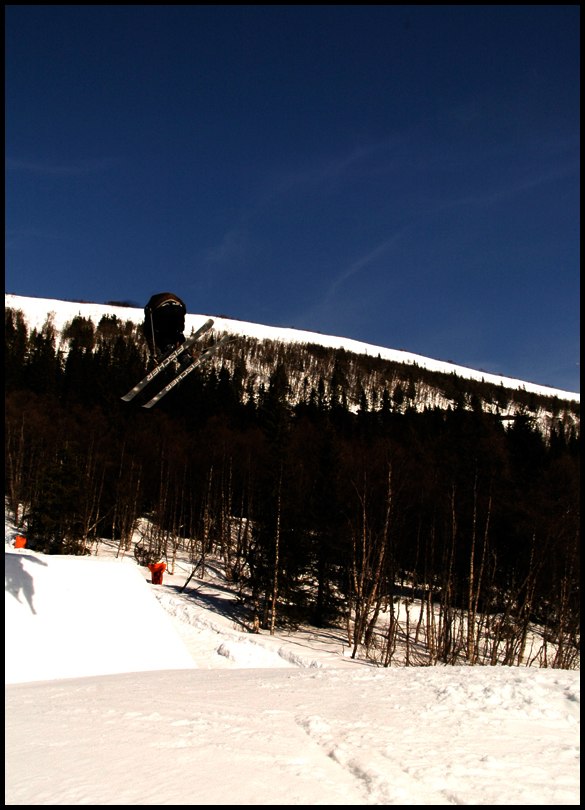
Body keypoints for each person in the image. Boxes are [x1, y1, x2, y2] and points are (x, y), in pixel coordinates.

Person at [143, 292, 187, 364]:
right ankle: (184, 355)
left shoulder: (150, 306)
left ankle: (167, 346)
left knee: (160, 332)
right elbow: (183, 308)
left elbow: (149, 332)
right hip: (179, 308)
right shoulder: (171, 296)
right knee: (178, 333)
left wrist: (154, 354)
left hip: (162, 310)